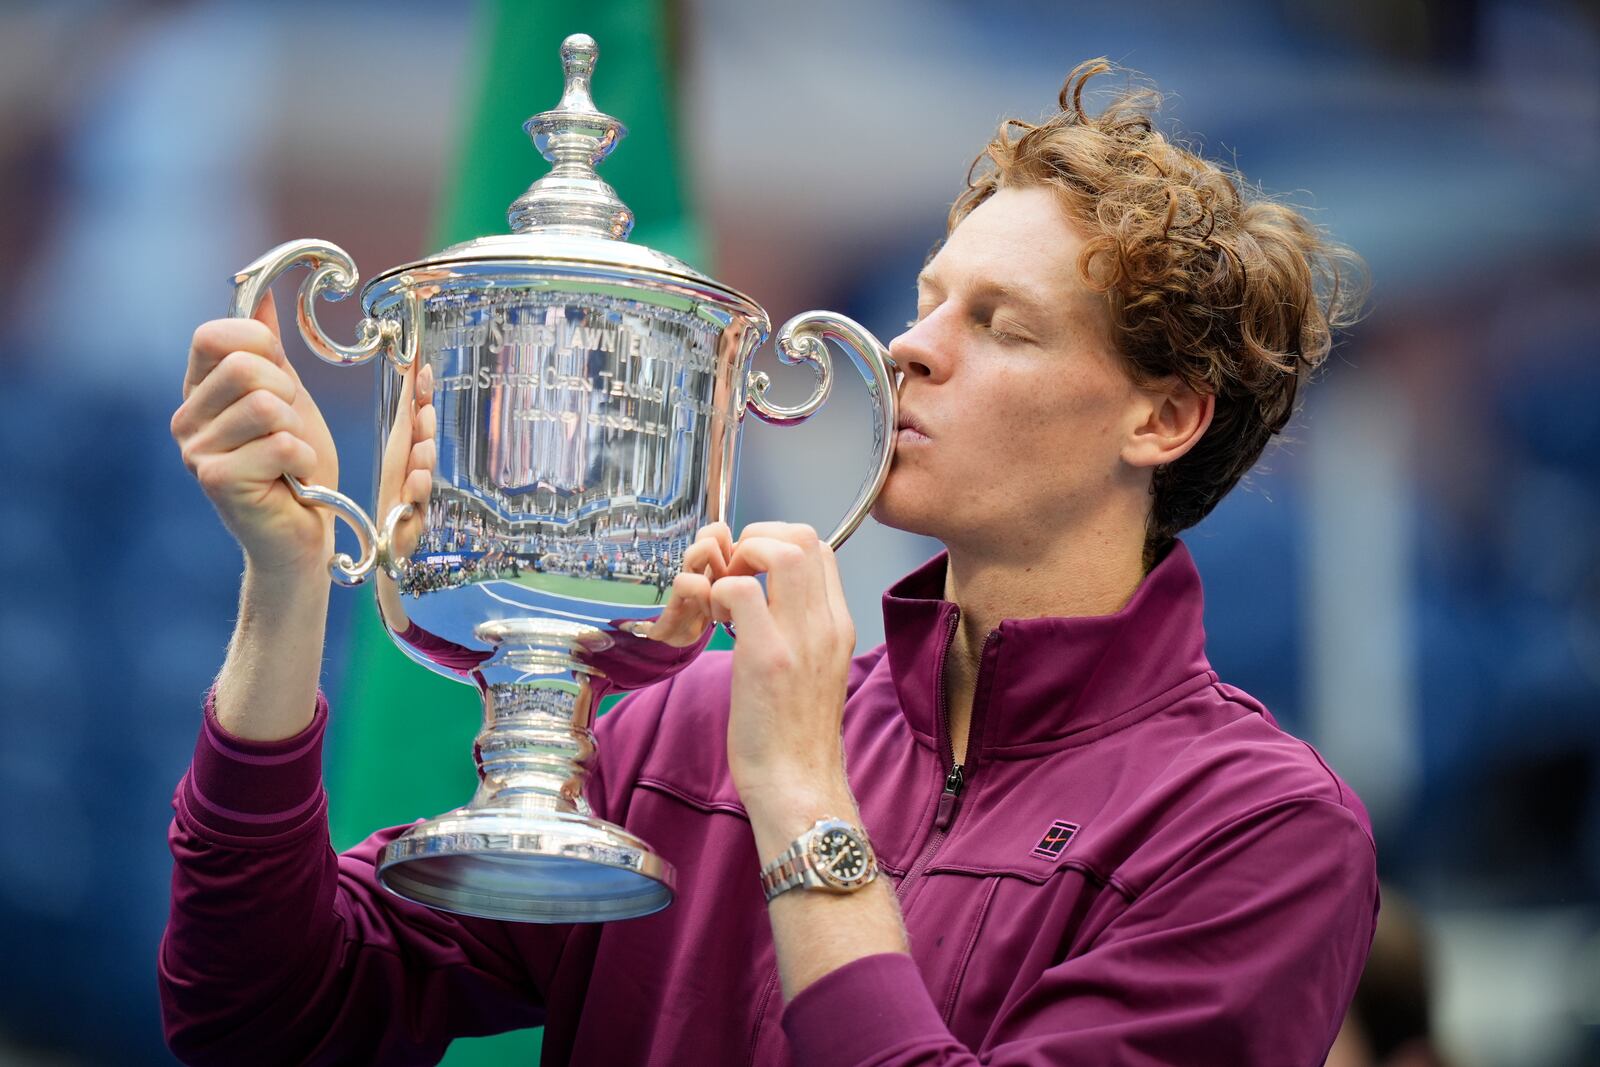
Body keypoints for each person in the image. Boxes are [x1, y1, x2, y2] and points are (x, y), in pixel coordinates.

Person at [161, 59, 1375, 1065]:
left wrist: (798, 786)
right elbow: (262, 1015)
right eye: (925, 301)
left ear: (1161, 419)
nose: (908, 348)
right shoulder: (675, 731)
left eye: (998, 324)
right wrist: (284, 580)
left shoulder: (1256, 830)